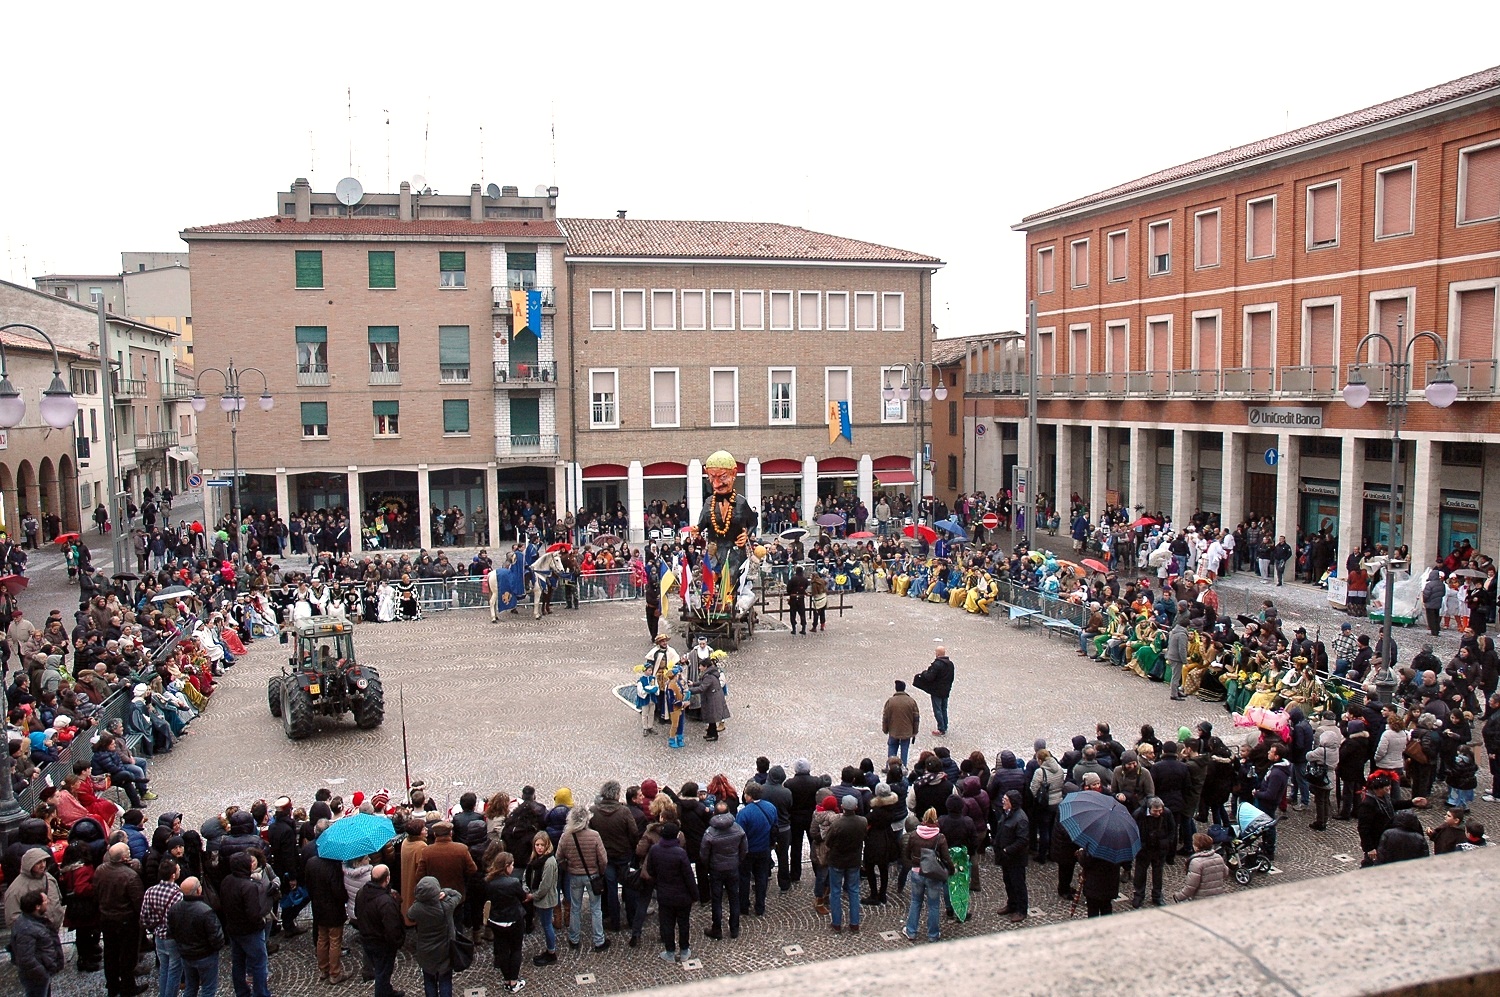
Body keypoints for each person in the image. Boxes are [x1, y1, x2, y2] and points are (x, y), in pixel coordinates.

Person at [94, 842, 145, 997]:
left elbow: (96, 892)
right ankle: (128, 987)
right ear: (124, 857)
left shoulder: (100, 870)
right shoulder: (130, 876)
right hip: (126, 921)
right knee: (127, 955)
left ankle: (112, 985)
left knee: (110, 953)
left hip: (106, 918)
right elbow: (138, 901)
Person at [557, 805, 609, 953]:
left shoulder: (566, 836)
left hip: (574, 876)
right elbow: (603, 860)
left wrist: (569, 868)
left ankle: (574, 939)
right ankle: (599, 941)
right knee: (596, 909)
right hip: (592, 875)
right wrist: (600, 872)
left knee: (575, 908)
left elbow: (559, 858)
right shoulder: (594, 835)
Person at [645, 820, 698, 964]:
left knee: (667, 924)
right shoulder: (680, 853)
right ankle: (684, 950)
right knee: (683, 923)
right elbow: (688, 876)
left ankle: (669, 951)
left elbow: (650, 871)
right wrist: (695, 894)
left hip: (664, 894)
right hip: (682, 896)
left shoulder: (655, 850)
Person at [901, 808, 953, 942]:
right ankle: (933, 935)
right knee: (934, 905)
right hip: (933, 874)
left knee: (915, 901)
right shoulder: (940, 837)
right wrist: (951, 870)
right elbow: (946, 858)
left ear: (923, 819)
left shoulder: (913, 835)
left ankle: (911, 931)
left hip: (917, 872)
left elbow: (907, 854)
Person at [353, 864, 405, 997]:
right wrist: (398, 942)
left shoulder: (362, 892)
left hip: (367, 939)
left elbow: (357, 913)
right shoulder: (386, 902)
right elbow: (392, 928)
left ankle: (387, 991)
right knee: (383, 973)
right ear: (387, 879)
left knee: (381, 971)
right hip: (381, 944)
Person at [699, 797, 747, 940]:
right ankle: (734, 928)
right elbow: (744, 849)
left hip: (716, 869)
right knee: (734, 898)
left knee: (717, 899)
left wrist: (709, 866)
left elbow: (704, 853)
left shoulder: (710, 833)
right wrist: (737, 861)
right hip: (732, 867)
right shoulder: (738, 829)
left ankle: (717, 929)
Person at [304, 840, 350, 984]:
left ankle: (323, 969)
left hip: (318, 907)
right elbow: (338, 891)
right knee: (335, 940)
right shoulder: (333, 866)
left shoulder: (311, 863)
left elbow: (309, 885)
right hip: (333, 909)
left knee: (322, 938)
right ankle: (335, 973)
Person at [168, 877, 223, 997]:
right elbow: (216, 937)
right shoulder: (205, 911)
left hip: (186, 955)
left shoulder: (174, 909)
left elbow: (171, 932)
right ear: (199, 890)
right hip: (205, 956)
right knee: (208, 988)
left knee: (191, 986)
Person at [482, 851, 528, 995]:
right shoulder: (513, 882)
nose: (513, 868)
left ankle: (506, 979)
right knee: (515, 949)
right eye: (512, 865)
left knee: (502, 950)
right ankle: (513, 982)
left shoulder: (488, 881)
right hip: (514, 920)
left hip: (496, 921)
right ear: (507, 866)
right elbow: (522, 897)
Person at [408, 876, 462, 997]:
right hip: (445, 949)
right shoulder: (446, 905)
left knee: (429, 980)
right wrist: (445, 892)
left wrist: (419, 900)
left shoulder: (417, 908)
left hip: (426, 950)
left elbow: (409, 915)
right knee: (445, 980)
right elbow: (458, 895)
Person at [140, 857, 185, 997]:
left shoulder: (150, 891)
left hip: (158, 936)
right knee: (175, 970)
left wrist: (153, 928)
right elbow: (180, 920)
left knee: (164, 968)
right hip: (173, 938)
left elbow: (143, 916)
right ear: (173, 875)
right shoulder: (178, 895)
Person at [823, 795, 866, 933]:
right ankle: (854, 923)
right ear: (856, 807)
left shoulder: (837, 824)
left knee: (835, 891)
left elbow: (828, 841)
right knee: (854, 891)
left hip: (837, 861)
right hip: (854, 860)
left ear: (842, 807)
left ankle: (836, 923)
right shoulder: (862, 821)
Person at [13, 889, 65, 997]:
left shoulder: (34, 921)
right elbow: (26, 959)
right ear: (37, 906)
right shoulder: (27, 929)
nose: (48, 902)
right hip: (36, 977)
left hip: (39, 974)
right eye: (45, 901)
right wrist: (43, 974)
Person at [735, 782, 776, 917]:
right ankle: (760, 906)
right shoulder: (770, 807)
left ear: (750, 796)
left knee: (744, 878)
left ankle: (744, 906)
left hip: (748, 851)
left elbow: (739, 834)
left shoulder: (744, 813)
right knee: (761, 877)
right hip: (764, 849)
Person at [1131, 797, 1175, 908]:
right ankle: (1139, 895)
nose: (1158, 813)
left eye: (1160, 811)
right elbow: (1133, 831)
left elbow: (1172, 830)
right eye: (1155, 811)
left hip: (1160, 848)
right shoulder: (1138, 814)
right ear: (1149, 809)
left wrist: (1167, 843)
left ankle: (1157, 895)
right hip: (1144, 849)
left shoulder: (1167, 813)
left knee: (1158, 873)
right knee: (1140, 873)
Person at [993, 789, 1030, 922]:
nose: (1003, 801)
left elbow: (1023, 840)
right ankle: (1012, 904)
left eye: (1006, 799)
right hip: (1006, 858)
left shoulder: (1021, 819)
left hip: (1015, 859)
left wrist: (1007, 850)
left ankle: (1021, 910)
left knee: (1018, 885)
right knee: (1008, 883)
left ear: (1013, 803)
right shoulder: (1007, 814)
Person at [913, 646, 955, 737]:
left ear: (938, 654)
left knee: (937, 709)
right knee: (944, 708)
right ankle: (945, 726)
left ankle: (941, 728)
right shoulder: (950, 664)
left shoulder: (937, 664)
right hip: (946, 690)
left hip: (937, 691)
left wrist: (924, 673)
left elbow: (929, 677)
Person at [1173, 832, 1229, 902]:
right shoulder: (1218, 857)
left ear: (1197, 847)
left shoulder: (1196, 862)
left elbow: (1191, 886)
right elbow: (1225, 872)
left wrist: (1179, 896)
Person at [882, 679, 920, 766]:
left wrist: (885, 729)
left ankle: (890, 766)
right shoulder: (911, 701)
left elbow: (885, 717)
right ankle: (903, 767)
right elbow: (916, 718)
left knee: (892, 747)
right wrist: (915, 731)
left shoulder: (890, 701)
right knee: (904, 749)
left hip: (894, 730)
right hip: (907, 730)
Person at [1166, 609, 1189, 701]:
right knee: (1176, 677)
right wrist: (1185, 661)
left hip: (1171, 655)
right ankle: (1174, 694)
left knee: (1176, 675)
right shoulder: (1182, 635)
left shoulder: (1174, 631)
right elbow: (1182, 649)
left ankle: (1176, 691)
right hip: (1176, 658)